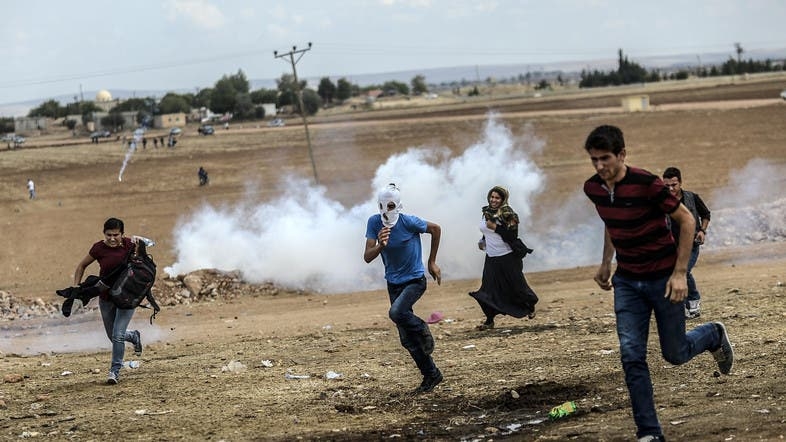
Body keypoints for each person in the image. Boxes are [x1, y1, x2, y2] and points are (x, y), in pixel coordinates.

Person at [582, 125, 733, 442]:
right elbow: (612, 223)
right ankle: (649, 433)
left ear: (622, 154)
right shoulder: (593, 188)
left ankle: (714, 334)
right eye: (594, 160)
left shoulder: (648, 184)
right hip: (627, 282)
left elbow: (687, 220)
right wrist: (605, 263)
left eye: (605, 158)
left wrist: (680, 273)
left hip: (663, 279)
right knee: (631, 355)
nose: (599, 166)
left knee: (675, 353)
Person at [364, 183, 443, 394]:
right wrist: (380, 244)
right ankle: (431, 374)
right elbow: (367, 257)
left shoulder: (408, 222)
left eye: (390, 206)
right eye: (382, 205)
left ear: (398, 205)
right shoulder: (374, 223)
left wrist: (431, 262)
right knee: (406, 340)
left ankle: (422, 328)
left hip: (415, 280)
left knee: (397, 312)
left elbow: (435, 229)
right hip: (394, 283)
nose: (385, 211)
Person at [71, 217, 144, 385]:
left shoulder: (130, 245)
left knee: (117, 335)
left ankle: (114, 371)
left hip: (126, 298)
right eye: (108, 235)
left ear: (122, 234)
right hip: (105, 299)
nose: (112, 239)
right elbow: (81, 266)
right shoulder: (98, 248)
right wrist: (76, 287)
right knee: (113, 336)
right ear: (104, 234)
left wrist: (140, 240)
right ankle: (133, 336)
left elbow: (148, 250)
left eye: (116, 235)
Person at [469, 186, 538, 330]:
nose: (493, 200)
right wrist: (483, 240)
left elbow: (512, 236)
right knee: (487, 289)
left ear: (503, 199)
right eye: (492, 197)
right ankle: (489, 320)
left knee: (517, 286)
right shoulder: (487, 212)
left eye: (497, 198)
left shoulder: (509, 214)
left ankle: (529, 307)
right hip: (491, 257)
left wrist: (495, 227)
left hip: (507, 257)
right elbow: (486, 231)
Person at [662, 167, 711, 319]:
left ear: (680, 182)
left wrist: (702, 231)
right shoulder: (661, 201)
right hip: (671, 247)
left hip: (691, 245)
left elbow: (706, 214)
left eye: (674, 185)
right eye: (667, 186)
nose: (670, 188)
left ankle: (693, 300)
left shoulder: (691, 197)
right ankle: (680, 307)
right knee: (671, 274)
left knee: (684, 272)